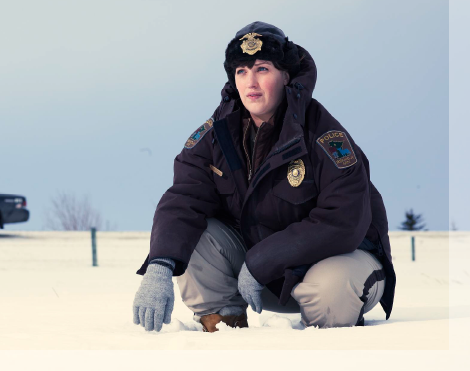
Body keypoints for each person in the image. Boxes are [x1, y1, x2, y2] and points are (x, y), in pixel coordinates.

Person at [132, 21, 396, 332]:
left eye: (262, 69)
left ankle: (324, 349)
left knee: (330, 291)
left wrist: (261, 263)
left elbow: (345, 221)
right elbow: (183, 199)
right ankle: (224, 329)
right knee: (195, 236)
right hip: (262, 278)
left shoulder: (325, 135)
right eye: (242, 71)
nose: (251, 82)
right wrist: (160, 265)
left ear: (286, 76)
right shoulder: (215, 134)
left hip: (340, 268)